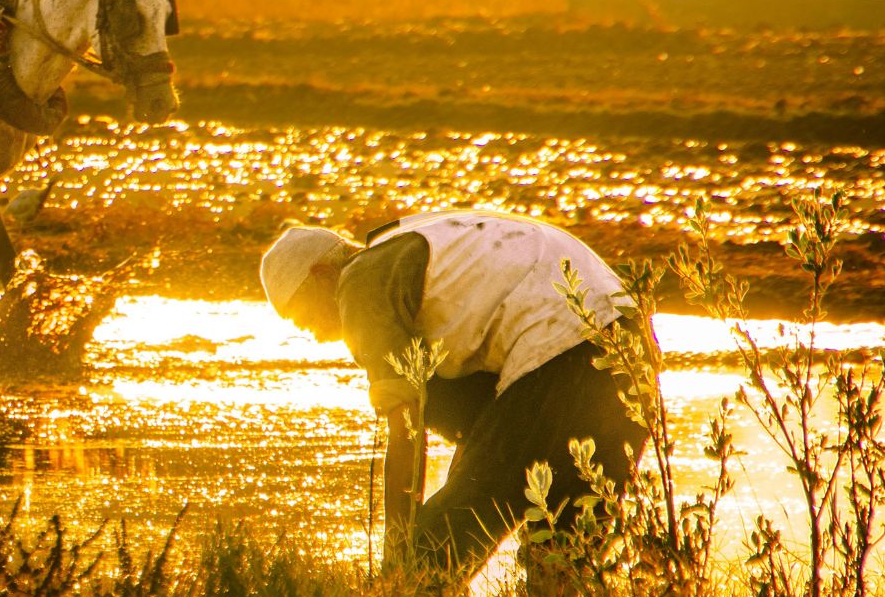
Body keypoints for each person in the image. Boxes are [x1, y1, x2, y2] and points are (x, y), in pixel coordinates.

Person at [259, 209, 645, 578]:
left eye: (303, 317)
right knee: (564, 555)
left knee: (432, 555)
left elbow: (407, 430)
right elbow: (483, 428)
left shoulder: (360, 281)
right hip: (631, 342)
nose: (312, 333)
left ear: (324, 274)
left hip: (561, 346)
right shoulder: (419, 245)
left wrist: (398, 550)